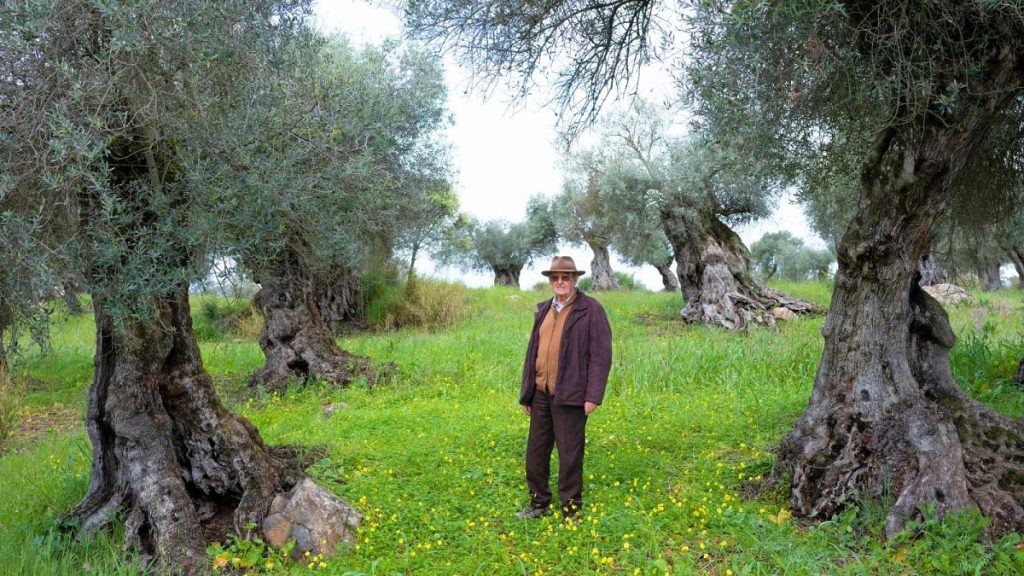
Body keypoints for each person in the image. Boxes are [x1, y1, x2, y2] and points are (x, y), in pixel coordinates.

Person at [516, 255, 612, 521]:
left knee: (570, 455)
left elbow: (601, 356)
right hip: (540, 395)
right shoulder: (544, 309)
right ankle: (539, 504)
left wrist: (593, 395)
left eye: (565, 277)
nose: (560, 281)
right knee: (535, 454)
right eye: (555, 277)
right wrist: (527, 393)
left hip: (571, 396)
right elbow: (532, 353)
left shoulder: (590, 309)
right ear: (550, 280)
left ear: (575, 279)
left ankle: (571, 510)